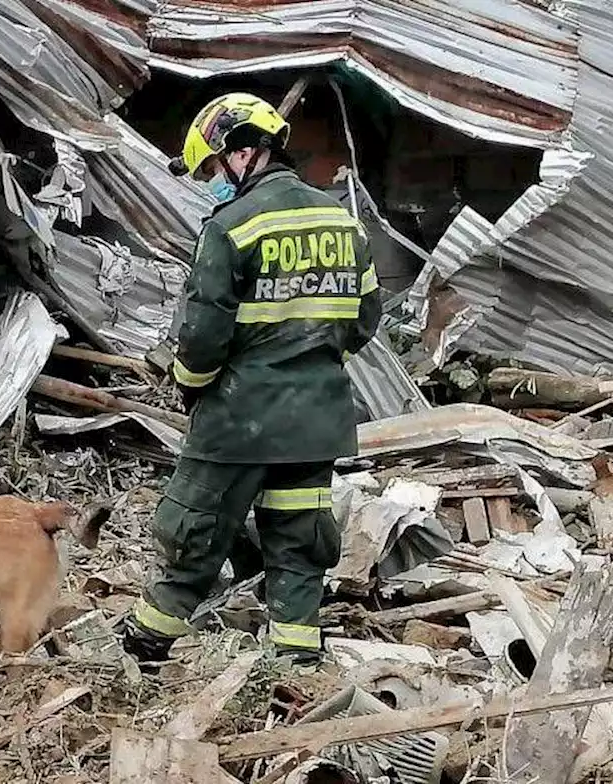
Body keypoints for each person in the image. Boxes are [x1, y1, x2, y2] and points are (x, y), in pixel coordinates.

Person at [120, 92, 383, 665]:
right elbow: (364, 321)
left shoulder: (232, 227)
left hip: (238, 420)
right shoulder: (342, 221)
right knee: (298, 546)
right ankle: (295, 669)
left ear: (242, 153)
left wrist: (190, 383)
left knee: (193, 534)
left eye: (213, 169)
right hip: (317, 421)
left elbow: (202, 338)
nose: (213, 182)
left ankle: (140, 654)